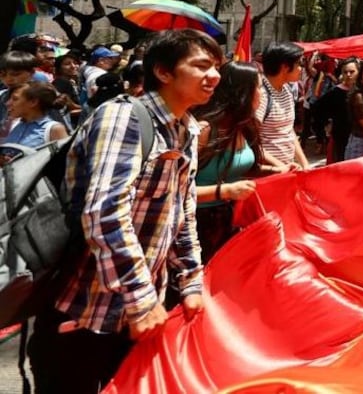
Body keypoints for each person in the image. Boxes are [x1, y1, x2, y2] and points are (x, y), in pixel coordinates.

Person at [28, 29, 223, 393]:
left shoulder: (187, 130)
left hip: (137, 321)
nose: (214, 76)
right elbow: (105, 212)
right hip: (82, 313)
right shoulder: (124, 118)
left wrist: (191, 281)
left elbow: (182, 213)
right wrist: (142, 298)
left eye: (217, 67)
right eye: (202, 66)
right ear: (163, 72)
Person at [191, 62, 265, 262]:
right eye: (258, 87)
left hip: (231, 220)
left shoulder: (245, 126)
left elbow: (244, 168)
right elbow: (175, 191)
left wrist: (281, 170)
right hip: (196, 226)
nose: (261, 93)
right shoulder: (203, 131)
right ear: (241, 93)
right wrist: (225, 191)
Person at [257, 41, 309, 171]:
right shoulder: (261, 95)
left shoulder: (286, 89)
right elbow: (250, 142)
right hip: (267, 173)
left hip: (286, 170)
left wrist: (304, 164)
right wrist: (280, 167)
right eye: (299, 64)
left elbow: (288, 131)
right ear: (285, 67)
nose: (301, 69)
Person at [0, 82, 68, 162]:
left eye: (15, 99)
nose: (8, 103)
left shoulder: (54, 129)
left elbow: (64, 164)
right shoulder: (13, 125)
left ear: (33, 102)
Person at [311, 58, 359, 164]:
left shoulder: (361, 91)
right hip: (340, 137)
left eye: (352, 72)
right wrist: (326, 124)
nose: (349, 75)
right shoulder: (335, 92)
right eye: (345, 72)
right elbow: (317, 108)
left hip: (359, 136)